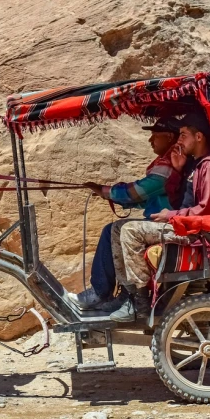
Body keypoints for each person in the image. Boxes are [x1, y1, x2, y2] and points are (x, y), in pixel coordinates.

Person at [106, 111, 210, 322]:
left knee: (130, 231)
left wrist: (171, 215)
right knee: (118, 228)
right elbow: (182, 199)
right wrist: (179, 171)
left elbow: (207, 210)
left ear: (198, 137)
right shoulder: (195, 165)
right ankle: (128, 293)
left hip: (195, 231)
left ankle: (140, 302)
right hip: (183, 224)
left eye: (183, 135)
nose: (178, 140)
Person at [68, 117, 183, 310]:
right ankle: (115, 293)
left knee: (120, 230)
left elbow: (137, 192)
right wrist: (110, 195)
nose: (150, 140)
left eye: (155, 135)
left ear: (170, 136)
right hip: (163, 218)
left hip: (173, 223)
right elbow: (149, 199)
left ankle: (128, 296)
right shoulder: (169, 160)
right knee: (112, 229)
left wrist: (106, 191)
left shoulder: (170, 163)